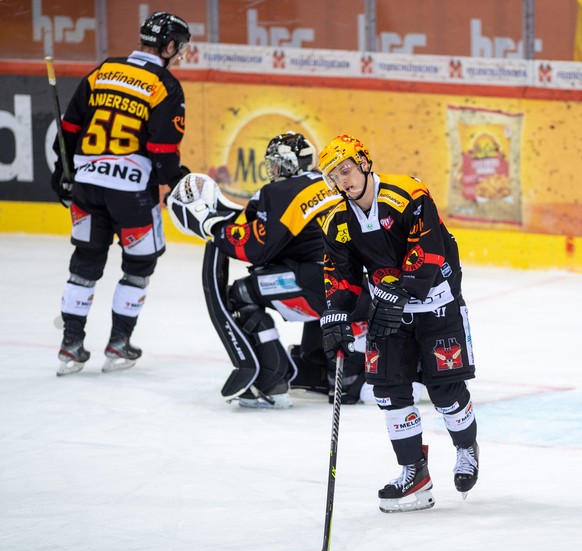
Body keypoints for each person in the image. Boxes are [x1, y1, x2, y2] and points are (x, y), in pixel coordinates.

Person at [317, 134, 479, 512]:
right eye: (333, 176)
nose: (343, 180)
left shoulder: (408, 194)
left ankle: (466, 447)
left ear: (364, 163)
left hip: (437, 303)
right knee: (388, 390)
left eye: (346, 169)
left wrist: (401, 291)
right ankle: (414, 472)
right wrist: (335, 316)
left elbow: (428, 250)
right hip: (389, 310)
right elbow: (340, 275)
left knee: (445, 392)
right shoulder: (337, 221)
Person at [166, 131, 369, 408]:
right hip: (362, 286)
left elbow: (257, 247)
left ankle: (272, 379)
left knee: (242, 294)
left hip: (323, 285)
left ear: (290, 163)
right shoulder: (330, 182)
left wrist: (214, 228)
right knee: (308, 276)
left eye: (276, 162)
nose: (272, 169)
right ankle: (321, 367)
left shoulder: (279, 191)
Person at [50, 12, 190, 376]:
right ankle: (119, 343)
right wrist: (177, 181)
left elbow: (68, 128)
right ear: (170, 45)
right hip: (131, 194)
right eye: (180, 48)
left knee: (85, 264)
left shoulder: (104, 70)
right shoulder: (165, 85)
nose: (179, 55)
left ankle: (70, 346)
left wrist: (60, 172)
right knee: (139, 266)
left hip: (87, 186)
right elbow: (162, 152)